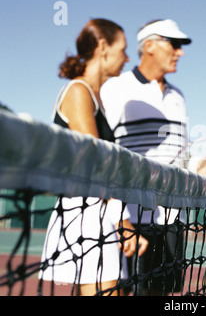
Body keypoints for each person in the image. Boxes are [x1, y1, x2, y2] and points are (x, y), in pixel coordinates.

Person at [40, 18, 148, 296]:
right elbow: (97, 167)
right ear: (103, 47)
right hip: (84, 215)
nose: (127, 58)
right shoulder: (78, 92)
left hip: (97, 214)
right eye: (122, 49)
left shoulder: (94, 97)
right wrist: (122, 221)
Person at [101, 19, 192, 295]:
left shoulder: (178, 96)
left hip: (171, 219)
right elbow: (104, 152)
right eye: (174, 44)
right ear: (149, 45)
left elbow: (181, 156)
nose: (181, 52)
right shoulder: (116, 88)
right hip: (130, 217)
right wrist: (119, 216)